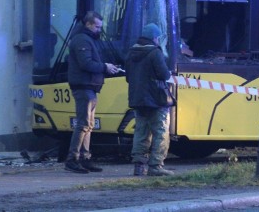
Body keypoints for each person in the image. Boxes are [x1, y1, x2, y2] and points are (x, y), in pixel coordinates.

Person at [64, 11, 119, 174]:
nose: (99, 30)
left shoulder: (87, 39)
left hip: (89, 86)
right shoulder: (82, 39)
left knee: (87, 125)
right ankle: (73, 159)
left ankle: (85, 158)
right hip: (84, 86)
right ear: (88, 24)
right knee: (83, 124)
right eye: (97, 26)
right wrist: (105, 67)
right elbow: (86, 63)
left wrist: (105, 67)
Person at [125, 23, 176, 177]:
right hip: (156, 99)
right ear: (155, 38)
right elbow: (164, 75)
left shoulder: (131, 53)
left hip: (138, 100)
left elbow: (128, 77)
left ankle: (139, 167)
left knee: (141, 132)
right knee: (160, 132)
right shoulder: (155, 52)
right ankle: (156, 166)